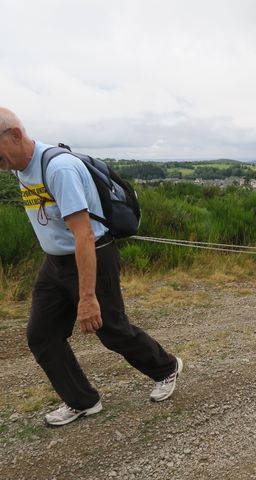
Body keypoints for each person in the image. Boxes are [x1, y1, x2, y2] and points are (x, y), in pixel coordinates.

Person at [0, 107, 182, 427]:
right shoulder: (17, 167)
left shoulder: (59, 170)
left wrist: (86, 297)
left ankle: (166, 367)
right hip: (55, 262)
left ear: (14, 135)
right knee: (41, 335)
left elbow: (83, 235)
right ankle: (82, 401)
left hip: (91, 253)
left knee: (111, 330)